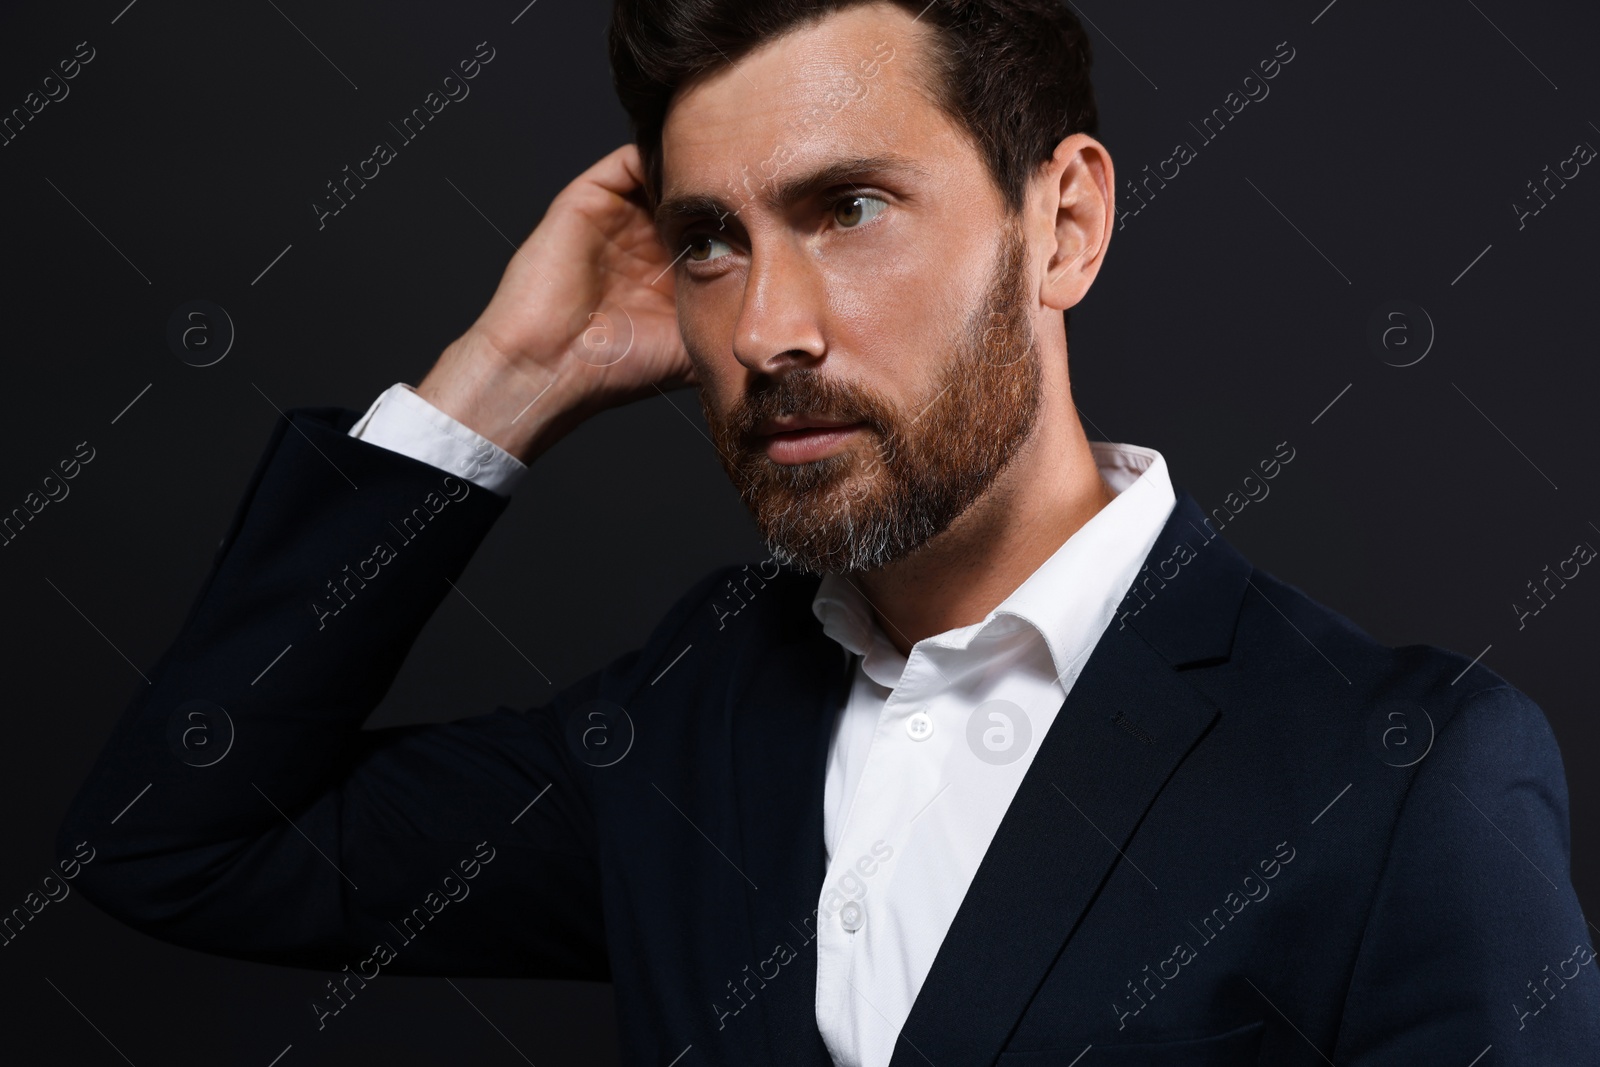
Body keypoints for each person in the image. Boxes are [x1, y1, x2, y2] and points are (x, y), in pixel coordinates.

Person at [61, 1, 1597, 1064]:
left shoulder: (1397, 774)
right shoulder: (693, 713)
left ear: (1061, 224)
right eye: (712, 240)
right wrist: (507, 381)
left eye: (849, 206)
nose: (768, 329)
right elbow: (181, 839)